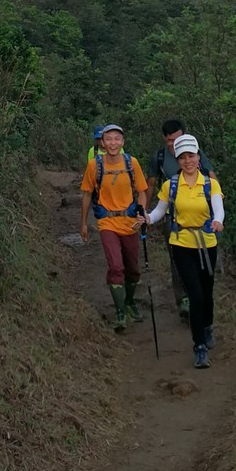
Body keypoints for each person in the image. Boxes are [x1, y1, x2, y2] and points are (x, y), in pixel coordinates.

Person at [145, 134, 223, 368]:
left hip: (207, 243)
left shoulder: (210, 183)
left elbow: (218, 209)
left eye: (191, 156)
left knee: (207, 293)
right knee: (196, 295)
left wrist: (218, 221)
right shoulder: (171, 185)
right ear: (177, 160)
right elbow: (160, 211)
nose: (187, 161)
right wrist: (147, 218)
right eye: (183, 157)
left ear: (198, 158)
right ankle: (199, 346)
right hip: (181, 244)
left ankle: (207, 326)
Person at [80, 124, 148, 332]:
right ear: (102, 142)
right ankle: (120, 312)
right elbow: (87, 194)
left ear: (123, 142)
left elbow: (142, 191)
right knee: (116, 266)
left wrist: (142, 213)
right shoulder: (94, 165)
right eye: (108, 139)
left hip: (129, 222)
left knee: (133, 270)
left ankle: (129, 302)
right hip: (106, 222)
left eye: (117, 139)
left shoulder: (131, 163)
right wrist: (83, 223)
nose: (112, 143)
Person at [145, 119, 214, 320]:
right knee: (177, 259)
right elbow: (150, 185)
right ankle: (183, 299)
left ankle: (199, 297)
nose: (173, 144)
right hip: (172, 216)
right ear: (164, 139)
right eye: (169, 141)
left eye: (177, 139)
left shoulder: (195, 155)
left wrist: (215, 210)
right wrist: (145, 211)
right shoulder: (158, 157)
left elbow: (211, 177)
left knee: (203, 260)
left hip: (200, 218)